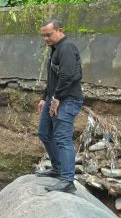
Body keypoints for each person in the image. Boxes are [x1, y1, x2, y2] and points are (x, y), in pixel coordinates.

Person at [35, 19, 84, 193]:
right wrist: (45, 97)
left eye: (49, 35)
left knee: (63, 138)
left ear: (60, 30)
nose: (46, 39)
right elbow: (53, 78)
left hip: (68, 99)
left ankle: (67, 181)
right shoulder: (55, 49)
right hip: (54, 98)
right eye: (43, 36)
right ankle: (57, 169)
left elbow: (68, 76)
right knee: (44, 132)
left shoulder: (67, 47)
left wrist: (56, 98)